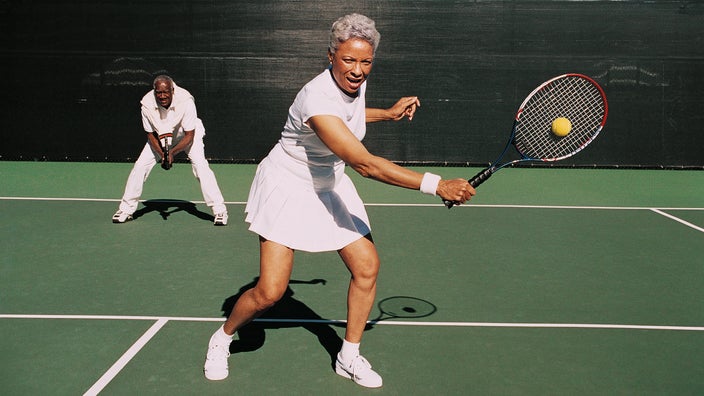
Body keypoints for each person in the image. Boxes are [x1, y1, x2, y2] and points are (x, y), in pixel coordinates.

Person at [203, 13, 475, 388]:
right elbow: (364, 164)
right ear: (330, 56)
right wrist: (437, 184)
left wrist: (387, 113)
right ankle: (222, 338)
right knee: (270, 292)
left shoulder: (354, 82)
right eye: (349, 60)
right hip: (289, 185)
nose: (358, 70)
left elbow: (348, 115)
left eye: (366, 62)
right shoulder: (315, 96)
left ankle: (349, 355)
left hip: (328, 181)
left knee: (366, 267)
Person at [112, 75, 228, 226]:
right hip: (159, 138)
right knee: (140, 166)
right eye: (158, 93)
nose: (162, 96)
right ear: (154, 92)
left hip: (186, 135)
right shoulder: (146, 104)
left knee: (201, 166)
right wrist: (163, 155)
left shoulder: (186, 101)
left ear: (172, 90)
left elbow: (190, 135)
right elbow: (150, 135)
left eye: (165, 92)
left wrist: (171, 153)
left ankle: (220, 211)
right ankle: (126, 210)